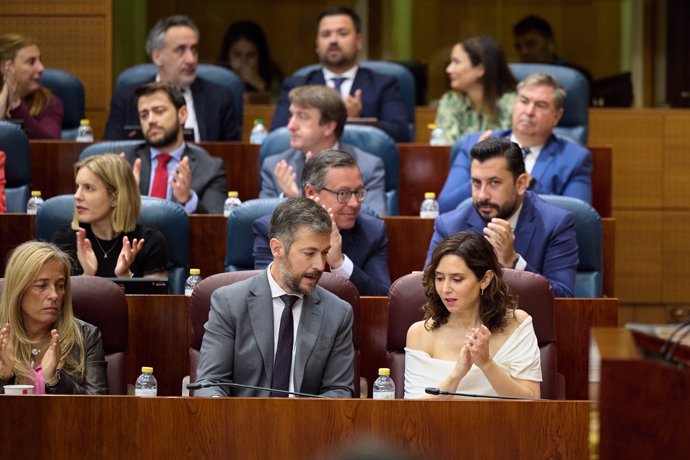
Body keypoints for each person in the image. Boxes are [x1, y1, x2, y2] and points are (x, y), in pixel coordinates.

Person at [195, 198, 355, 397]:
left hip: (307, 425)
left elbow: (339, 390)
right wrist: (217, 405)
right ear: (277, 248)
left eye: (324, 253)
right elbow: (210, 382)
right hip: (241, 424)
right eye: (309, 253)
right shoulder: (229, 303)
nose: (318, 264)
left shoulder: (338, 312)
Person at [426, 137, 578, 297]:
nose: (482, 195)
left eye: (494, 183)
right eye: (476, 183)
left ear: (521, 184)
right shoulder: (449, 226)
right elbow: (428, 291)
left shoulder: (555, 224)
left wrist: (513, 262)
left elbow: (563, 298)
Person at [405, 232, 541, 399]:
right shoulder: (419, 333)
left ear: (485, 279)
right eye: (439, 278)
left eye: (457, 279)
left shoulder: (516, 323)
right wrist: (457, 374)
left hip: (503, 424)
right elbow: (413, 414)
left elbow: (533, 403)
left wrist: (487, 364)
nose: (445, 288)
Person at [437, 73, 592, 213]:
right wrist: (481, 173)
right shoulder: (474, 144)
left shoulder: (575, 159)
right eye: (524, 101)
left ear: (557, 116)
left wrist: (528, 182)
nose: (529, 111)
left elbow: (578, 217)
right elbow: (445, 207)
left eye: (540, 105)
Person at [255, 149, 391, 296]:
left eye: (358, 192)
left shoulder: (372, 232)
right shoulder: (272, 229)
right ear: (311, 193)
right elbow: (267, 291)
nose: (354, 203)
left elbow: (382, 298)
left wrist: (339, 263)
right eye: (343, 193)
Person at [271, 7, 409, 142]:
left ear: (359, 41)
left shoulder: (384, 85)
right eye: (326, 34)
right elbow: (278, 134)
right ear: (317, 44)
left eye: (342, 33)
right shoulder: (296, 86)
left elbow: (401, 133)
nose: (333, 40)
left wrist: (356, 121)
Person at [104, 15, 240, 142]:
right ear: (157, 57)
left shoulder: (219, 97)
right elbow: (111, 153)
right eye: (180, 50)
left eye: (194, 49)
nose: (191, 59)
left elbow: (232, 155)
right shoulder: (126, 98)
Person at [0, 241, 108, 394]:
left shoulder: (86, 335)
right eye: (41, 285)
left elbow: (99, 408)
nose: (54, 295)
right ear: (18, 290)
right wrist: (4, 376)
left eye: (60, 285)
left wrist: (55, 379)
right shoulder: (2, 338)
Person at [260, 85, 387, 215]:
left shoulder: (367, 167)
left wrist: (299, 204)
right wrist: (289, 200)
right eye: (292, 115)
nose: (291, 126)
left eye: (302, 116)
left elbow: (375, 220)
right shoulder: (275, 167)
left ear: (328, 127)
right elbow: (263, 224)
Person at [51, 153, 170, 278]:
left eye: (88, 188)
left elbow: (154, 297)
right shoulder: (65, 241)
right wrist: (87, 276)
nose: (77, 196)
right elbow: (54, 296)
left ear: (115, 198)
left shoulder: (148, 242)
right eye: (78, 187)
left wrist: (125, 277)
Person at [119, 82, 228, 214]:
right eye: (144, 115)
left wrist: (188, 199)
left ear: (182, 114)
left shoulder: (210, 168)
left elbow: (216, 226)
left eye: (159, 111)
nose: (150, 120)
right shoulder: (123, 163)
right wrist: (123, 201)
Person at [434, 35, 517, 145]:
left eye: (456, 62)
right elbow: (445, 149)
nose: (448, 69)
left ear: (480, 69)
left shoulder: (513, 104)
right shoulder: (450, 101)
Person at [0, 33, 63, 139]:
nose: (41, 68)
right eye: (31, 62)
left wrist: (16, 106)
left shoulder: (49, 102)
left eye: (40, 60)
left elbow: (50, 144)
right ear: (5, 67)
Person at [217, 20, 284, 103]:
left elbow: (282, 107)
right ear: (228, 56)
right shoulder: (216, 79)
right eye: (237, 55)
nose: (244, 62)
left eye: (251, 55)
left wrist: (261, 86)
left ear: (260, 57)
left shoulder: (273, 78)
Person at [513, 15, 592, 83]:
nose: (524, 52)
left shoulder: (575, 77)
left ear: (550, 42)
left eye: (531, 44)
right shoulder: (515, 78)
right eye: (519, 47)